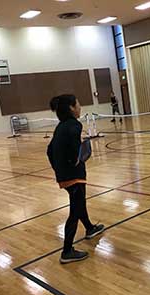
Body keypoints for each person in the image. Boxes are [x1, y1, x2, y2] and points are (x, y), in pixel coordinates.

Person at [47, 94, 104, 264]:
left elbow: (49, 151)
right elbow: (74, 153)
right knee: (75, 211)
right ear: (72, 108)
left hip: (65, 175)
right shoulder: (74, 125)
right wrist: (76, 160)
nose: (80, 107)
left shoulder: (61, 126)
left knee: (79, 204)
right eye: (78, 104)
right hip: (73, 176)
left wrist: (59, 169)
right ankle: (66, 251)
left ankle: (90, 228)